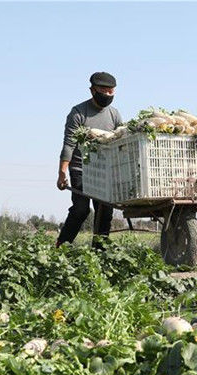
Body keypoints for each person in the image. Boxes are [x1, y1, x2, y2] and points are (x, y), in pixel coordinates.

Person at [56, 71, 123, 248]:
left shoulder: (114, 115)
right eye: (103, 90)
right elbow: (69, 144)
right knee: (81, 209)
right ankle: (62, 245)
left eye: (111, 91)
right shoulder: (78, 113)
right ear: (93, 90)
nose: (107, 95)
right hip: (80, 168)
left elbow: (120, 141)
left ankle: (100, 252)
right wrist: (62, 172)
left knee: (105, 211)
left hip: (103, 169)